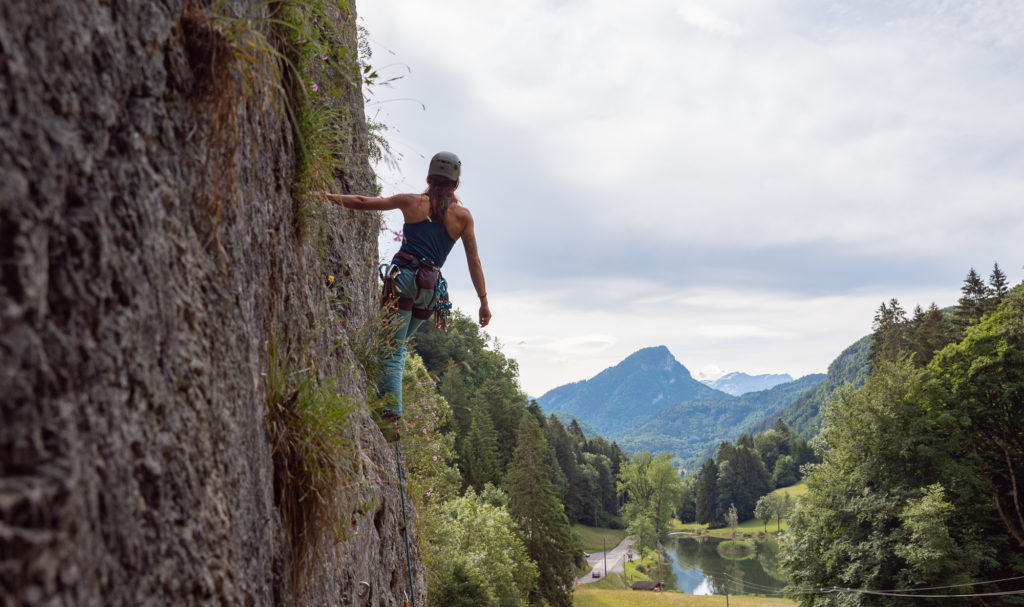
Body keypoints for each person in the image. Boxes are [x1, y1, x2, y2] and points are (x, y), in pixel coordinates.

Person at [321, 151, 490, 420]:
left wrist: (327, 197)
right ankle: (384, 402)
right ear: (456, 183)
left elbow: (364, 202)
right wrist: (483, 302)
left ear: (429, 177)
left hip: (403, 281)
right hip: (430, 290)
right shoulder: (463, 217)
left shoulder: (410, 202)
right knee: (396, 347)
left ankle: (389, 415)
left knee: (392, 349)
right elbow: (475, 261)